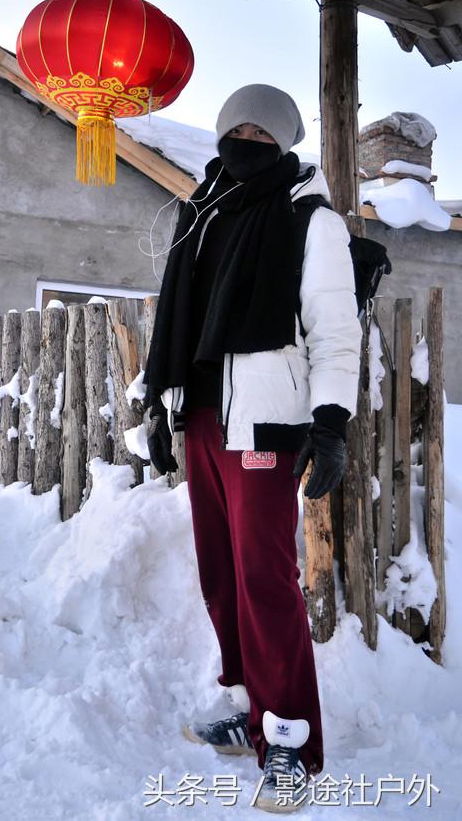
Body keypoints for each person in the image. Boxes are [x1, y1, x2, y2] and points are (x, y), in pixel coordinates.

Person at [143, 84, 362, 814]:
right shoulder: (204, 209)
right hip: (204, 417)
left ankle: (292, 738)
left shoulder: (309, 219)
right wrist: (159, 404)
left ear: (285, 142)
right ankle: (249, 705)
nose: (248, 141)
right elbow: (179, 319)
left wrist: (330, 422)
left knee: (265, 579)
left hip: (266, 422)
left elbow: (335, 330)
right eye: (237, 129)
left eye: (263, 134)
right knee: (220, 573)